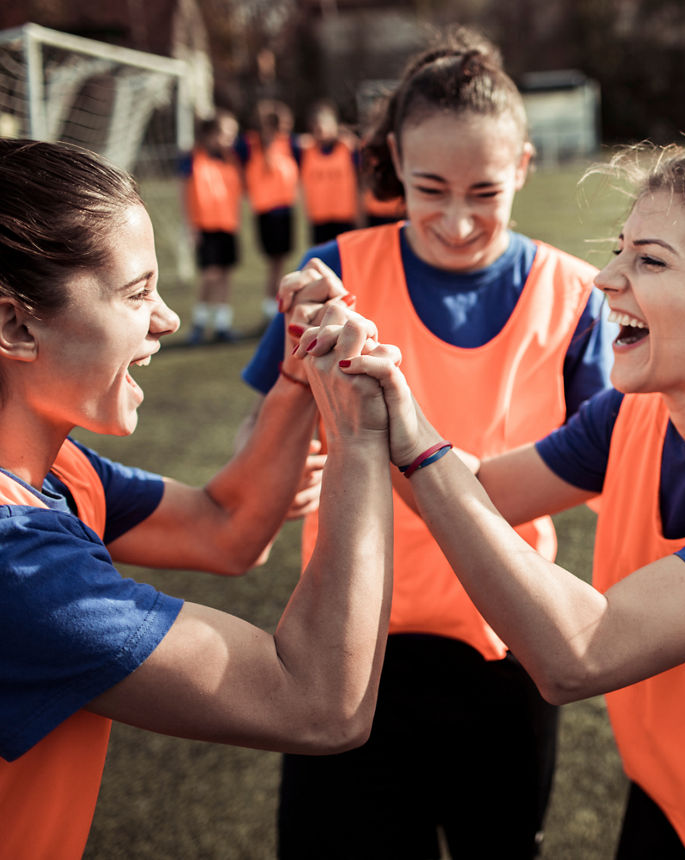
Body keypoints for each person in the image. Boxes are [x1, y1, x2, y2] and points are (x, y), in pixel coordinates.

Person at [313, 144, 685, 859]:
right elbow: (482, 496)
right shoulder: (633, 417)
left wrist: (411, 442)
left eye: (648, 261)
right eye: (618, 250)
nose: (604, 277)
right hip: (675, 793)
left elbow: (579, 656)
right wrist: (374, 406)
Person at [240, 26, 614, 859]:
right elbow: (265, 427)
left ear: (523, 165)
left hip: (506, 641)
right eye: (429, 186)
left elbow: (599, 460)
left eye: (484, 191)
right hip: (345, 638)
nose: (454, 220)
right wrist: (294, 435)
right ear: (394, 166)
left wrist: (471, 493)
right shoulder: (334, 270)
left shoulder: (570, 292)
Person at [0, 138, 398, 859]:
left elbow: (226, 528)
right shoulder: (16, 564)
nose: (167, 319)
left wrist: (297, 377)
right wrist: (362, 437)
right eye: (135, 293)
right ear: (16, 325)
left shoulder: (55, 474)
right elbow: (318, 704)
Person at [181, 109, 242, 344]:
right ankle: (198, 325)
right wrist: (190, 225)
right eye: (227, 133)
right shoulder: (192, 158)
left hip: (228, 225)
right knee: (209, 275)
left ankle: (222, 325)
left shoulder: (231, 158)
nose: (231, 139)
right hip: (204, 226)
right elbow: (183, 193)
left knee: (225, 274)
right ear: (211, 133)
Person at [241, 99, 302, 328]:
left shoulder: (290, 144)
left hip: (285, 211)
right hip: (266, 213)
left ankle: (279, 307)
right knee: (273, 264)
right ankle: (271, 309)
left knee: (281, 262)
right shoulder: (251, 144)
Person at [300, 99, 360, 245]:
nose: (320, 128)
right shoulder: (305, 150)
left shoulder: (349, 149)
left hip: (344, 217)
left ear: (335, 125)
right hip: (319, 218)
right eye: (316, 124)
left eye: (325, 123)